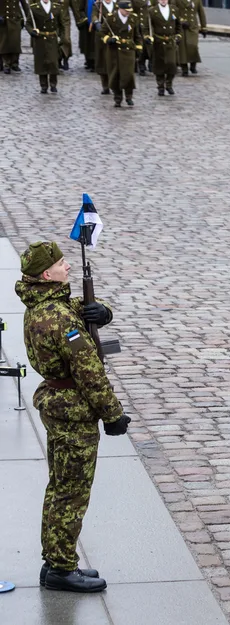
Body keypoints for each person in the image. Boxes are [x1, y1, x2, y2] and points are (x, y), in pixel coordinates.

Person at [17, 242, 131, 593]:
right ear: (46, 274)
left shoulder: (42, 306)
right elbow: (90, 373)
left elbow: (79, 307)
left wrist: (102, 311)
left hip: (57, 406)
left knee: (59, 487)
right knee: (71, 493)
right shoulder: (62, 320)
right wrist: (113, 415)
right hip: (73, 412)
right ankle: (62, 569)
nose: (67, 267)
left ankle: (55, 561)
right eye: (61, 263)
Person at [102, 0, 141, 107]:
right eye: (126, 10)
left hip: (128, 50)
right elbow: (102, 32)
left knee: (128, 75)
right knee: (115, 75)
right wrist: (109, 39)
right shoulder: (111, 18)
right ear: (120, 9)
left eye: (129, 10)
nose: (128, 12)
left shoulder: (133, 18)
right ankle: (117, 98)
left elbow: (137, 35)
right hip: (114, 51)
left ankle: (129, 97)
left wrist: (139, 48)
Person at [27, 0, 68, 94]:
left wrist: (62, 38)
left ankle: (53, 84)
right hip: (40, 38)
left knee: (53, 61)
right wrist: (31, 32)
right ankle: (43, 85)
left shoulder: (56, 7)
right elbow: (28, 23)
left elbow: (62, 24)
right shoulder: (34, 8)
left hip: (52, 38)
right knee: (41, 62)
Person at [148, 0, 179, 96]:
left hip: (170, 41)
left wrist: (179, 35)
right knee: (159, 65)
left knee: (172, 64)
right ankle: (160, 86)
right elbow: (147, 26)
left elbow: (178, 25)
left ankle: (169, 84)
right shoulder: (152, 11)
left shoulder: (174, 9)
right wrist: (147, 37)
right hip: (158, 41)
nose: (163, 0)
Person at [175, 0, 204, 75]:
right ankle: (184, 69)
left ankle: (193, 64)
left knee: (193, 46)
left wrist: (204, 27)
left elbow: (201, 13)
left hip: (193, 27)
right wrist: (181, 21)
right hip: (181, 27)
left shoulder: (197, 0)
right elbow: (173, 12)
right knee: (182, 48)